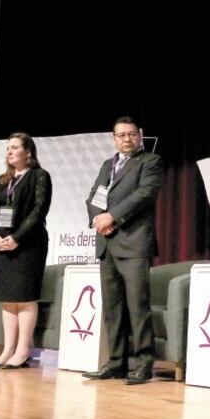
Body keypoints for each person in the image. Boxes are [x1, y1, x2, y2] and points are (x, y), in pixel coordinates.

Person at [82, 116, 163, 385]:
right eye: (121, 135)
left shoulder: (150, 162)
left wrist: (112, 217)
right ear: (113, 138)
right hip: (107, 243)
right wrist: (98, 219)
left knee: (137, 307)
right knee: (112, 307)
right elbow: (94, 195)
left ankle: (143, 364)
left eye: (131, 134)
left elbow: (144, 194)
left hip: (134, 242)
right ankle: (116, 362)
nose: (126, 139)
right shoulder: (108, 164)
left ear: (140, 136)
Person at [0, 133, 52, 369]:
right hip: (2, 245)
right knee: (7, 300)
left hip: (28, 245)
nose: (9, 152)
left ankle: (23, 351)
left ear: (28, 152)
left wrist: (17, 238)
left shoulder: (40, 176)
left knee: (24, 298)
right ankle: (8, 350)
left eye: (14, 148)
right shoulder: (2, 180)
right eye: (7, 148)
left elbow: (39, 210)